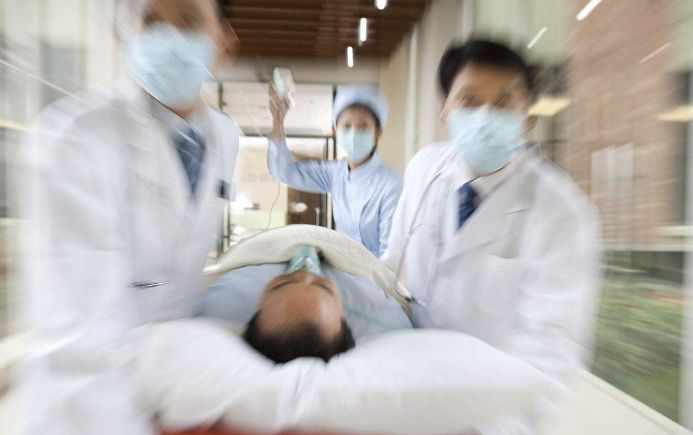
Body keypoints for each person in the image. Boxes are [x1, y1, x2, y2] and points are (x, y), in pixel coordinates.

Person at [19, 1, 241, 434]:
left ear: (225, 45)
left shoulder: (225, 137)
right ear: (123, 34)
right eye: (150, 21)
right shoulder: (75, 138)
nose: (167, 38)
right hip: (85, 412)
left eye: (190, 21)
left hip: (167, 388)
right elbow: (77, 346)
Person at [383, 39, 601, 433]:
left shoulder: (562, 212)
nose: (484, 116)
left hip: (489, 412)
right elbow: (391, 264)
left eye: (503, 102)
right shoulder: (424, 169)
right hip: (409, 385)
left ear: (527, 117)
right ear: (445, 110)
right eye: (468, 100)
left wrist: (490, 426)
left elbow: (549, 352)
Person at [197, 226, 413, 363]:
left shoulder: (219, 304)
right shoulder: (387, 320)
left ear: (258, 305)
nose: (305, 274)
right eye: (324, 287)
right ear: (343, 314)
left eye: (282, 283)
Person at [267, 84, 402, 257]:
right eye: (347, 126)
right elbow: (284, 172)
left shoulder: (391, 183)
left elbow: (390, 255)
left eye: (363, 127)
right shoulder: (335, 173)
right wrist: (278, 120)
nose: (353, 133)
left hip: (374, 271)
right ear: (335, 132)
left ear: (378, 133)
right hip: (341, 266)